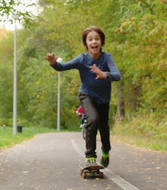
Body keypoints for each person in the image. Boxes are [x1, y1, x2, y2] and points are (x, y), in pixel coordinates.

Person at [45, 26, 121, 167]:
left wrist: (105, 74)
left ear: (102, 42)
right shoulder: (82, 59)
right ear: (86, 44)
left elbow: (117, 75)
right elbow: (62, 67)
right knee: (93, 119)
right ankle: (90, 156)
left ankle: (106, 150)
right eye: (90, 39)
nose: (94, 42)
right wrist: (54, 63)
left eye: (97, 39)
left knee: (104, 128)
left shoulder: (107, 58)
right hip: (87, 95)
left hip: (103, 100)